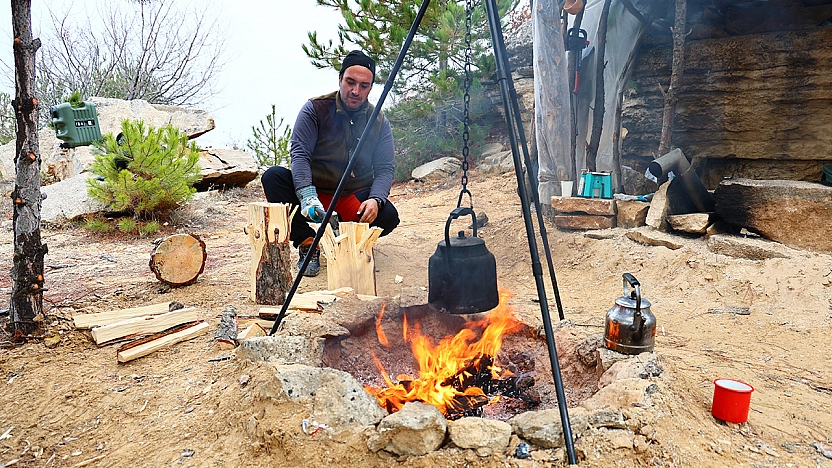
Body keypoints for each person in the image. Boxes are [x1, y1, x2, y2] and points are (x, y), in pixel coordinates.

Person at [262, 50, 400, 277]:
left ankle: (346, 235)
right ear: (340, 80)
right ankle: (308, 242)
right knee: (273, 177)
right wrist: (306, 194)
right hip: (315, 190)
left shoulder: (378, 120)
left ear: (371, 87)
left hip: (352, 196)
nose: (356, 91)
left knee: (388, 215)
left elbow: (385, 168)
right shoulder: (315, 109)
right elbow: (300, 154)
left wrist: (376, 199)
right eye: (350, 82)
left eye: (364, 85)